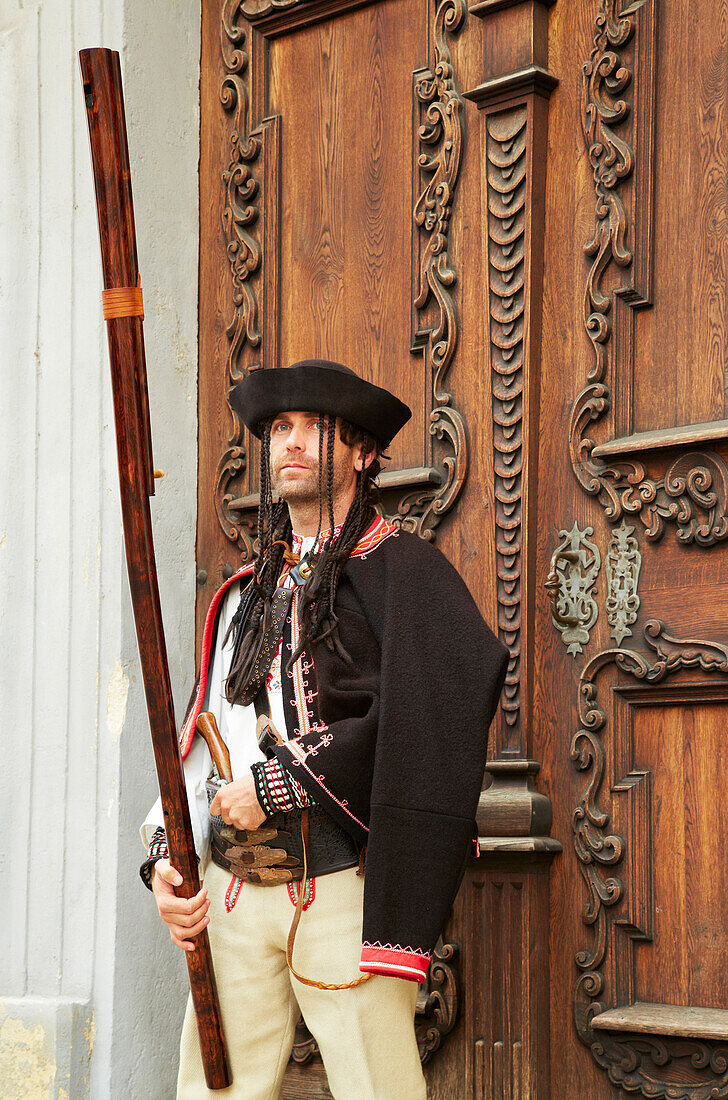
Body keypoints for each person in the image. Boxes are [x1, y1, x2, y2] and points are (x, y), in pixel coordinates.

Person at [140, 359, 509, 1099]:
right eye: (280, 428)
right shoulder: (246, 592)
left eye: (317, 428)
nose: (292, 443)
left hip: (342, 884)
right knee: (216, 1091)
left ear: (365, 452)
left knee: (377, 1086)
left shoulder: (406, 575)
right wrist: (165, 859)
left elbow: (433, 708)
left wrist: (280, 782)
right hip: (234, 891)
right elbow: (204, 730)